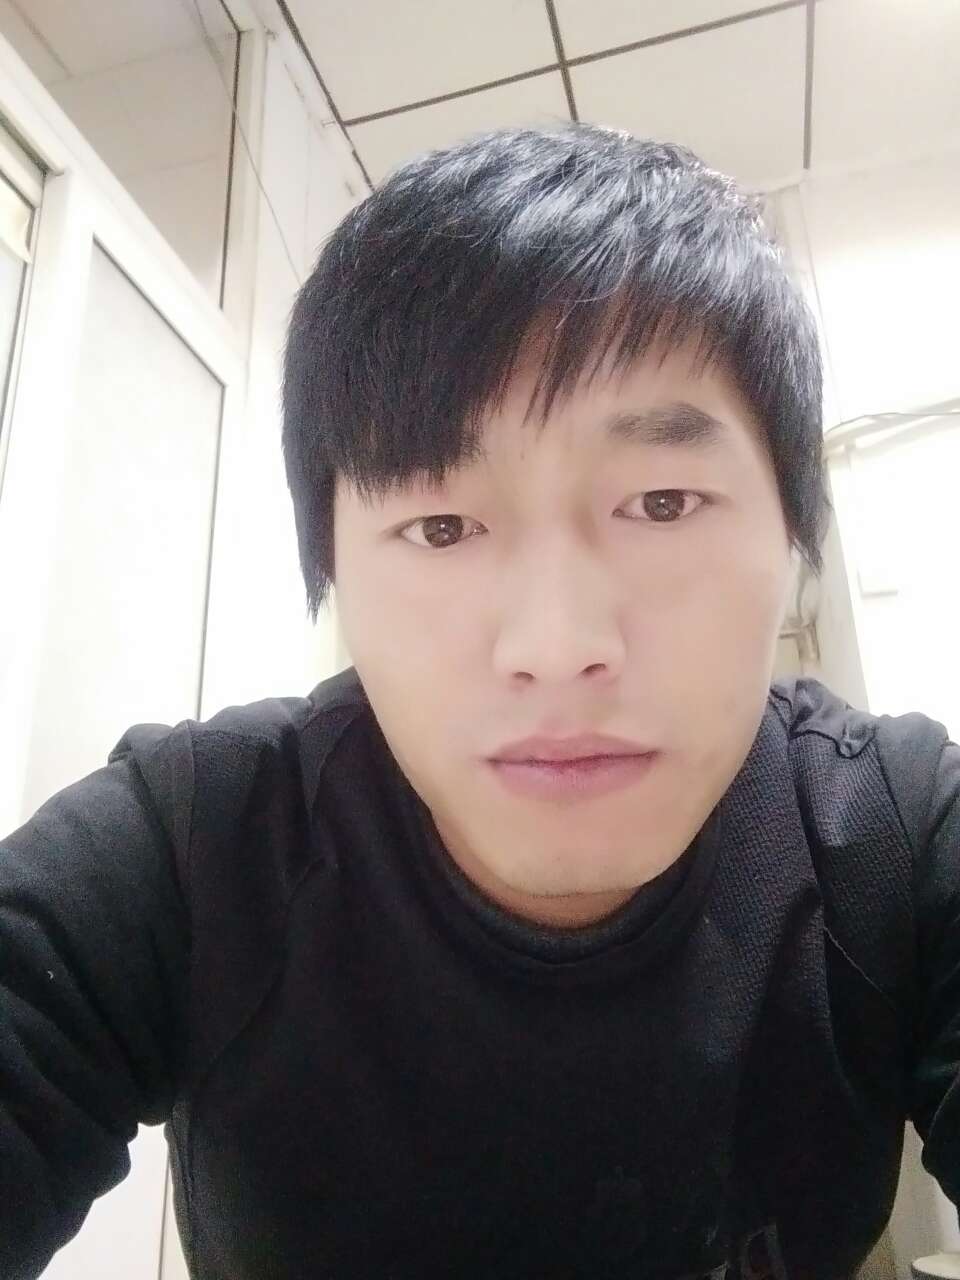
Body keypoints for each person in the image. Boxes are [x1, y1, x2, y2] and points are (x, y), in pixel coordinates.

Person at [1, 124, 958, 1280]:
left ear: (794, 532)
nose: (556, 647)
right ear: (334, 563)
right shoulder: (194, 849)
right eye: (442, 524)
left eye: (661, 502)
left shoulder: (898, 839)